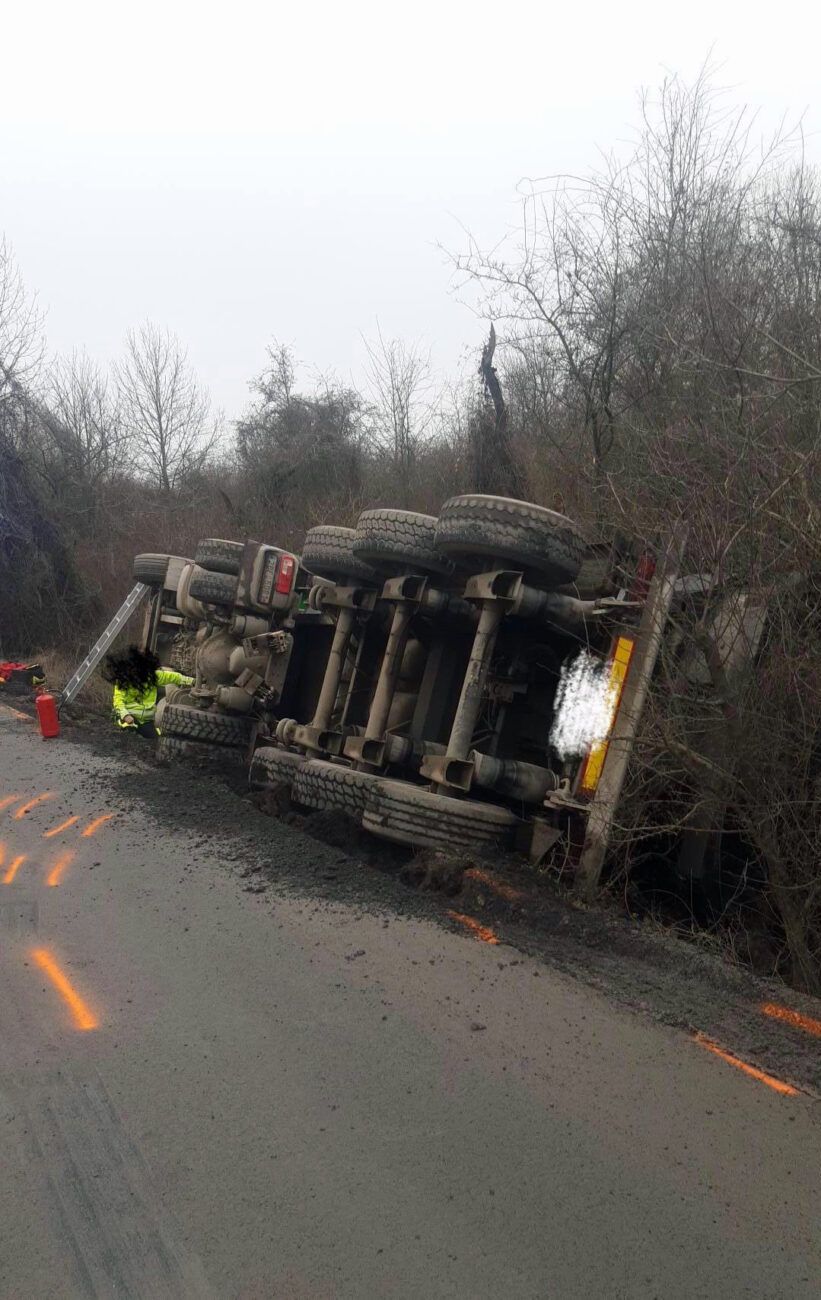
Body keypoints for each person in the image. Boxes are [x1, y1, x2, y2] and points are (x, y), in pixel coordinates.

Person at [102, 646, 193, 737]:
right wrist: (125, 716)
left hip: (146, 720)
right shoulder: (122, 681)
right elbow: (118, 702)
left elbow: (173, 677)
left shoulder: (152, 676)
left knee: (155, 737)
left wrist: (191, 681)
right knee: (129, 732)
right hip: (129, 718)